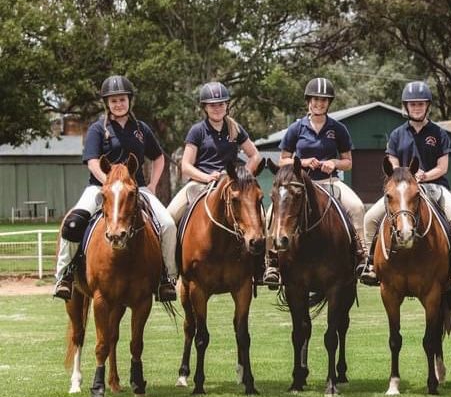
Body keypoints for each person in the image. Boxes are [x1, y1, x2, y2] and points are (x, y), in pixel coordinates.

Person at [53, 75, 178, 301]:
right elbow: (92, 161)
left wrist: (151, 184)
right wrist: (109, 183)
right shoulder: (97, 130)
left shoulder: (141, 129)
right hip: (100, 188)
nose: (118, 104)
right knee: (72, 224)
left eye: (122, 99)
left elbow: (158, 158)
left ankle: (166, 278)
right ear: (107, 104)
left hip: (137, 188)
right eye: (113, 101)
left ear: (129, 100)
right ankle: (64, 276)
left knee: (168, 225)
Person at [358, 81, 451, 288]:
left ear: (427, 106)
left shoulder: (439, 133)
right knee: (370, 218)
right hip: (403, 188)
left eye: (421, 104)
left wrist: (424, 176)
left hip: (434, 186)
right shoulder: (397, 135)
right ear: (406, 107)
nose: (416, 107)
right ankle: (370, 263)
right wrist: (406, 177)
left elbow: (443, 167)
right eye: (413, 104)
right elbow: (392, 163)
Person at [262, 77, 366, 287]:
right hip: (299, 185)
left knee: (357, 207)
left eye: (324, 100)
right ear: (308, 101)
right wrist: (302, 162)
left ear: (329, 103)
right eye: (315, 100)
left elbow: (348, 162)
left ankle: (362, 256)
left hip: (329, 182)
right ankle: (272, 261)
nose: (319, 104)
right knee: (272, 212)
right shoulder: (296, 128)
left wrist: (333, 163)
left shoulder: (338, 129)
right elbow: (282, 160)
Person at [167, 81, 261, 225]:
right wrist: (207, 177)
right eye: (212, 105)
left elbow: (255, 155)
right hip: (199, 184)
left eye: (221, 104)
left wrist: (240, 177)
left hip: (230, 184)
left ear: (227, 105)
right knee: (169, 218)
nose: (217, 108)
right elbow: (186, 166)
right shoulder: (197, 131)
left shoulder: (235, 128)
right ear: (205, 107)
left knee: (261, 218)